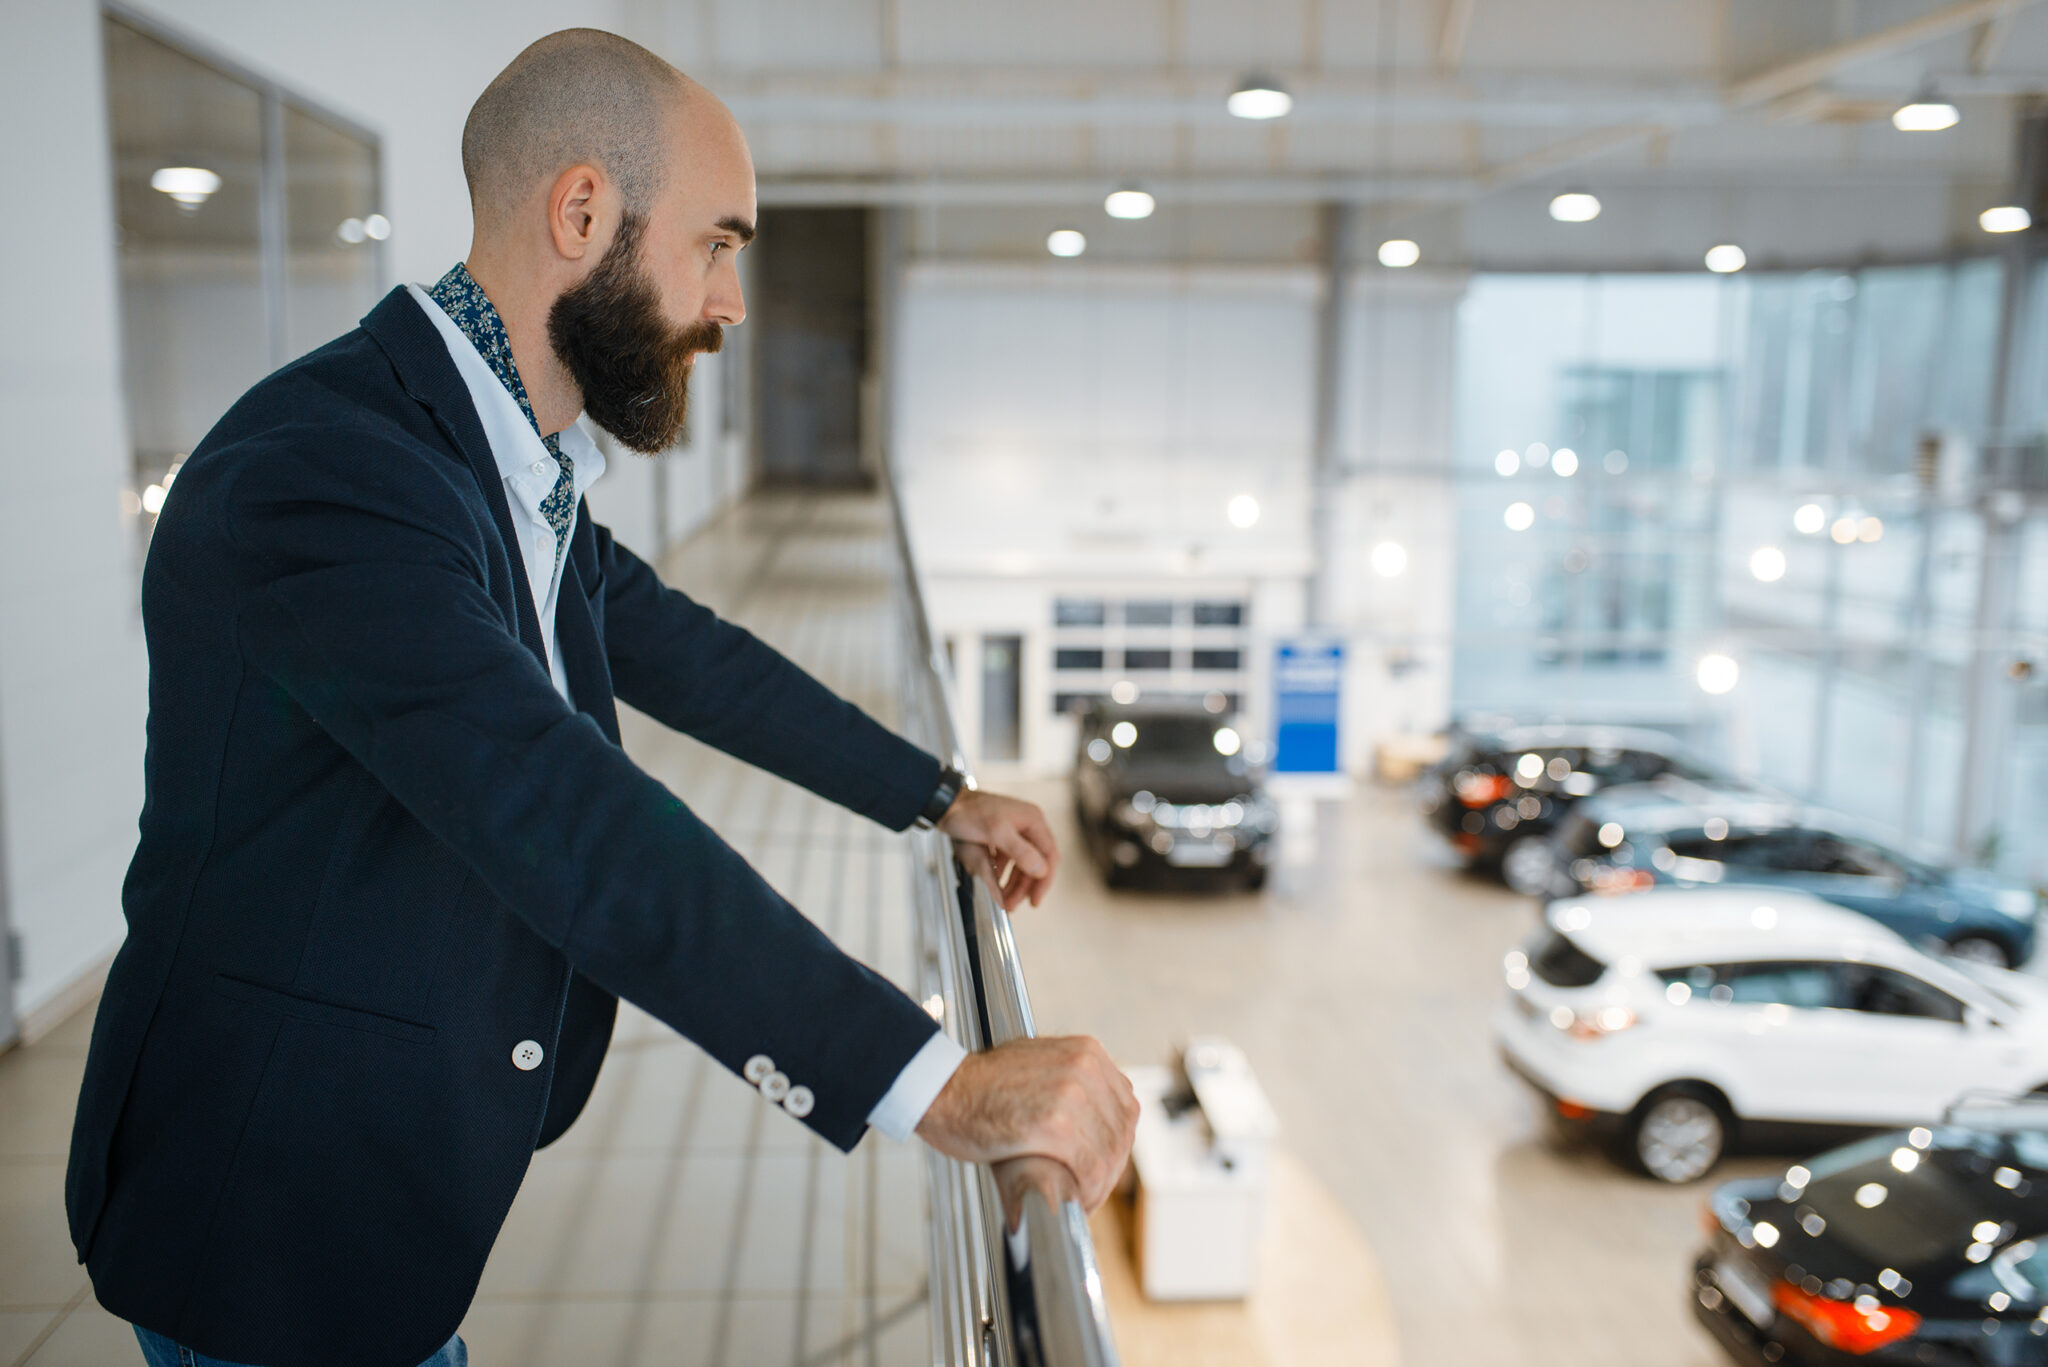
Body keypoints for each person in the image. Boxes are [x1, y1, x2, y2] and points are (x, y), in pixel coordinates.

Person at [66, 28, 1137, 1367]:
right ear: (583, 212)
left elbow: (678, 646)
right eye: (716, 244)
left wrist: (934, 797)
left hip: (381, 1206)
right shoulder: (331, 471)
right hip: (269, 1203)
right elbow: (560, 808)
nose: (732, 302)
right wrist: (934, 1082)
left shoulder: (488, 453)